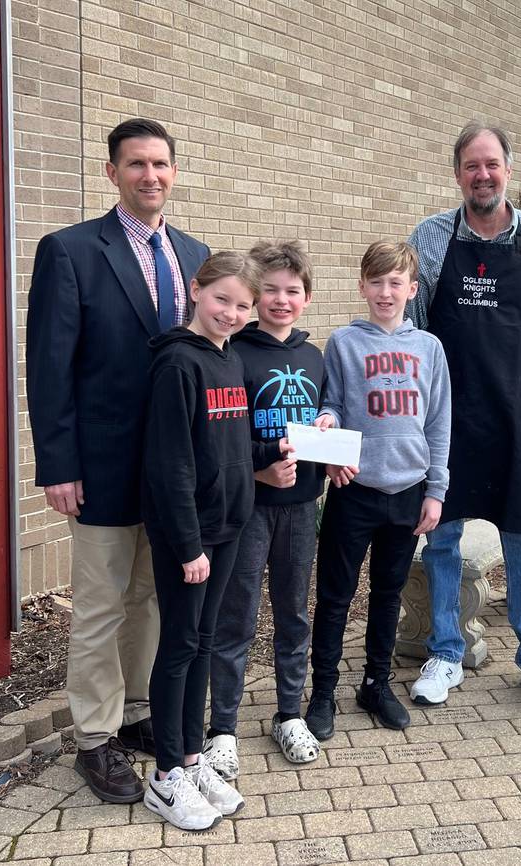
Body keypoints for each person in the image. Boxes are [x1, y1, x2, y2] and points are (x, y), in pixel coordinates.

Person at [25, 118, 209, 803]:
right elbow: (50, 369)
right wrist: (58, 465)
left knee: (150, 598)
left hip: (173, 475)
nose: (150, 175)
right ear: (112, 172)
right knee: (102, 604)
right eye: (136, 164)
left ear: (174, 171)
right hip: (99, 468)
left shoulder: (195, 255)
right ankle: (94, 740)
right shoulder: (70, 251)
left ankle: (136, 714)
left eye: (161, 163)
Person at [406, 121, 521, 712]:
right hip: (447, 418)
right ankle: (446, 652)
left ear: (509, 168)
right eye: (470, 166)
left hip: (519, 414)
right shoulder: (429, 239)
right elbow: (413, 332)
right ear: (456, 172)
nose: (481, 175)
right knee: (442, 538)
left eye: (491, 164)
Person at [304, 241, 451, 738]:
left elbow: (438, 423)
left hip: (409, 490)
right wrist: (327, 427)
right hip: (355, 488)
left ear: (411, 289)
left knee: (388, 594)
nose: (385, 292)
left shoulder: (429, 348)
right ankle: (322, 691)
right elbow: (334, 406)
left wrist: (436, 490)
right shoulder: (344, 342)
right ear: (362, 286)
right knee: (335, 596)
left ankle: (375, 682)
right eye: (376, 282)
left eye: (396, 283)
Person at [141, 251, 259, 831]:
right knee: (180, 647)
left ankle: (190, 758)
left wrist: (280, 452)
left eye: (243, 306)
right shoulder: (177, 365)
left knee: (204, 643)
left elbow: (228, 450)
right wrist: (188, 546)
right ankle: (164, 777)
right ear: (196, 289)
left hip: (228, 528)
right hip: (190, 537)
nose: (231, 313)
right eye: (222, 300)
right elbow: (171, 466)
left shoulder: (229, 360)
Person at [204, 241, 325, 777]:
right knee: (237, 616)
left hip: (301, 508)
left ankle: (288, 713)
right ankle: (222, 727)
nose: (281, 299)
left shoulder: (312, 356)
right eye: (269, 290)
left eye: (292, 291)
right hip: (248, 509)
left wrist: (330, 446)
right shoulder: (235, 353)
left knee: (294, 614)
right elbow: (223, 439)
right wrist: (258, 470)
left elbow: (322, 422)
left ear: (306, 298)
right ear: (254, 297)